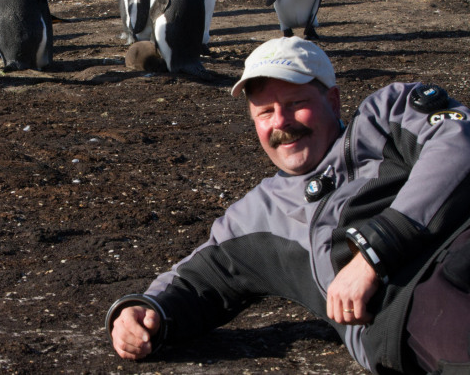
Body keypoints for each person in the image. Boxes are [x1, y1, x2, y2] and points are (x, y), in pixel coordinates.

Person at [106, 36, 470, 374]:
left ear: (332, 101)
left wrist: (376, 252)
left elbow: (457, 143)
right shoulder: (259, 215)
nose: (280, 122)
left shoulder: (384, 120)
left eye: (296, 104)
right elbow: (199, 280)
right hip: (407, 311)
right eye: (265, 112)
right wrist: (142, 311)